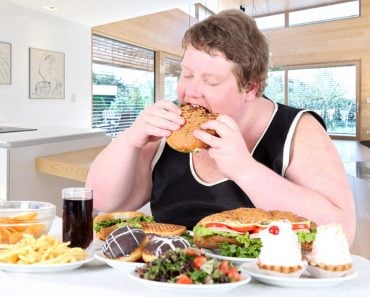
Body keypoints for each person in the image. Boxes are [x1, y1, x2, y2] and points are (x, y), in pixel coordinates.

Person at [86, 9, 355, 244]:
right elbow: (103, 201)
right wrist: (131, 139)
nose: (189, 91)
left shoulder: (297, 129)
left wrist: (244, 169)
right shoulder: (171, 127)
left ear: (250, 87)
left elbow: (340, 231)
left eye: (210, 81)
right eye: (186, 74)